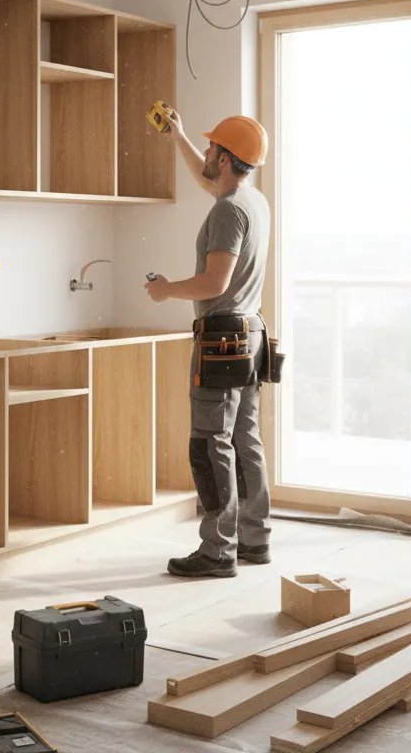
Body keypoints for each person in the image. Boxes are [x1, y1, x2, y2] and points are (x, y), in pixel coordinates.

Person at [144, 108, 272, 578]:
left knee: (209, 443)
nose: (208, 153)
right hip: (251, 335)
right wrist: (178, 135)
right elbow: (209, 182)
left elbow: (214, 282)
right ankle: (254, 539)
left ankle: (217, 551)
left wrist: (167, 289)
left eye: (213, 148)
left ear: (225, 157)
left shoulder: (227, 211)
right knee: (244, 440)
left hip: (220, 340)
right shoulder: (251, 202)